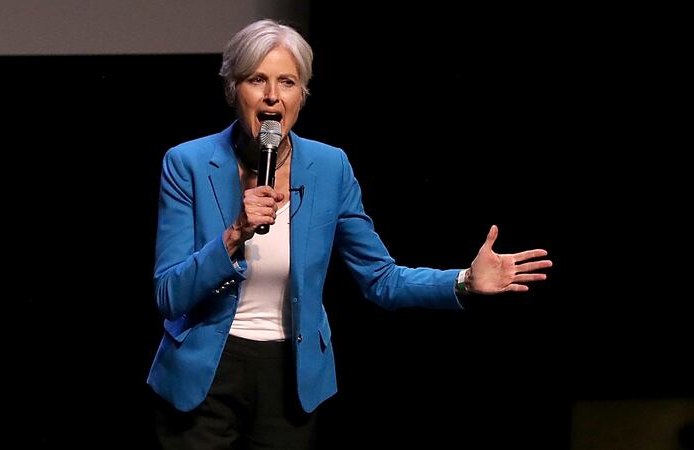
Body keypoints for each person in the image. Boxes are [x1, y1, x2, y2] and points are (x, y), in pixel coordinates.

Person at [147, 18, 552, 449]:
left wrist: (464, 281)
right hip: (201, 377)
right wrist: (233, 236)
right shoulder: (187, 163)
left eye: (287, 82)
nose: (271, 95)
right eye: (256, 80)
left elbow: (381, 279)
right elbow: (168, 294)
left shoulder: (329, 167)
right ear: (233, 90)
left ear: (301, 96)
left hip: (291, 379)